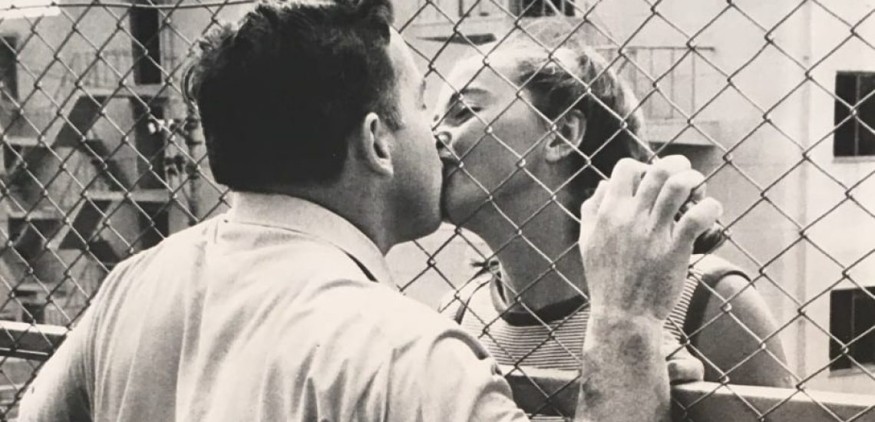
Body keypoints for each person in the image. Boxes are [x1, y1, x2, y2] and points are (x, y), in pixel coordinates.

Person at [18, 1, 722, 421]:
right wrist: (626, 331)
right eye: (422, 106)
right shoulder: (408, 351)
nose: (438, 134)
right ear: (378, 143)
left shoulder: (133, 286)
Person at [434, 21, 792, 414]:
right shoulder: (457, 316)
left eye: (464, 111)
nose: (434, 136)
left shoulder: (707, 302)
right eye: (431, 118)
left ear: (561, 133)